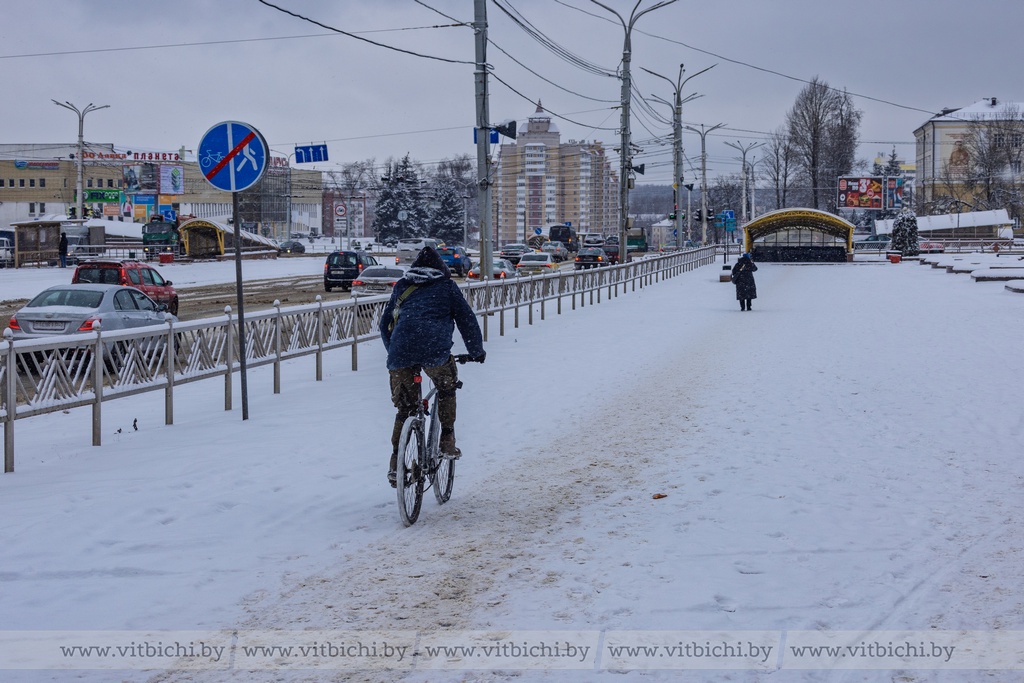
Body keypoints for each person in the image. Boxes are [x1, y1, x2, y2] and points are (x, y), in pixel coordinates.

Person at [380, 246, 485, 487]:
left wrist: (394, 352)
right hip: (435, 350)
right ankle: (447, 438)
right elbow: (466, 319)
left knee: (404, 409)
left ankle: (396, 462)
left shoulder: (402, 286)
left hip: (401, 351)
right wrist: (476, 351)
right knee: (446, 388)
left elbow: (385, 322)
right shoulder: (447, 287)